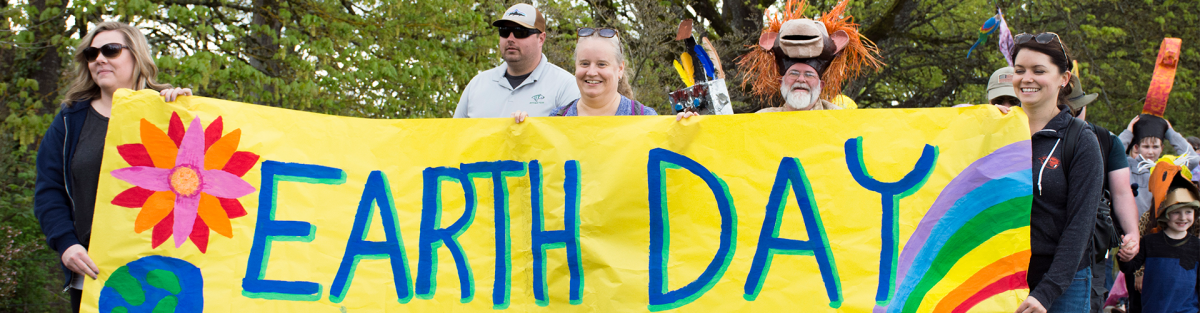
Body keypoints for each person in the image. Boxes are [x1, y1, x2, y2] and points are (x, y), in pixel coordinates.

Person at [34, 21, 192, 313]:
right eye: (92, 54)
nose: (100, 59)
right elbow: (49, 191)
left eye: (111, 50)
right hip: (96, 276)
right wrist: (67, 244)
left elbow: (200, 184)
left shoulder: (171, 110)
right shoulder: (70, 121)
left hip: (163, 275)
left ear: (137, 55)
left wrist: (187, 113)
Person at [1010, 32, 1104, 313]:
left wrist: (1047, 291)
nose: (1027, 79)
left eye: (1039, 71)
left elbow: (1080, 224)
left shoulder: (1081, 139)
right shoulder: (994, 132)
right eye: (1019, 70)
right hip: (1001, 276)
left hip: (1064, 283)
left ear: (1063, 79)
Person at [1065, 75, 1140, 313]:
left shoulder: (1107, 140)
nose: (1072, 116)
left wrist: (1132, 234)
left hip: (1091, 248)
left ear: (1085, 107)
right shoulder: (1031, 135)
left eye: (1078, 109)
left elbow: (1121, 192)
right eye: (1066, 110)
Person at [735, 0, 881, 113]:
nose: (801, 79)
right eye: (793, 73)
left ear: (821, 85)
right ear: (781, 82)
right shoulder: (761, 121)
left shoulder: (838, 118)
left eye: (809, 74)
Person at [454, 3, 580, 118]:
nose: (510, 38)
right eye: (504, 31)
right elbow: (454, 137)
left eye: (520, 32)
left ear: (541, 39)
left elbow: (575, 138)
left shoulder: (565, 86)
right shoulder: (477, 85)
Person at [513, 27, 654, 122]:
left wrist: (676, 132)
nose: (591, 72)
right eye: (584, 63)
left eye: (602, 64)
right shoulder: (557, 120)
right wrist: (525, 133)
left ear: (620, 69)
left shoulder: (645, 118)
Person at [1119, 177, 1199, 313]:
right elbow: (1130, 268)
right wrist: (1126, 258)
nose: (1183, 217)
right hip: (1154, 308)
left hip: (1187, 309)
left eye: (1188, 212)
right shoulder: (1149, 242)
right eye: (1176, 212)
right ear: (1165, 214)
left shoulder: (1197, 245)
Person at [1119, 115, 1197, 216]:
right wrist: (1128, 132)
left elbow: (1193, 159)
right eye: (1146, 147)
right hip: (1132, 226)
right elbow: (1112, 155)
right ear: (1137, 148)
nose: (1151, 152)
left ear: (1162, 148)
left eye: (1155, 147)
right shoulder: (1128, 165)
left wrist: (1170, 133)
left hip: (1160, 226)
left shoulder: (1169, 166)